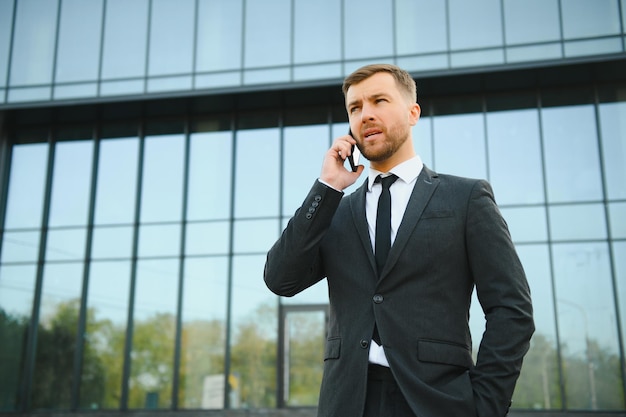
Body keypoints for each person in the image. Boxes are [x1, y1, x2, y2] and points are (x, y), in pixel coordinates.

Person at [264, 63, 534, 417]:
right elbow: (281, 279)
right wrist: (326, 188)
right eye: (355, 108)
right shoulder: (337, 211)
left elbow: (512, 310)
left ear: (412, 112)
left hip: (437, 401)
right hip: (347, 402)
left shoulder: (465, 198)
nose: (366, 115)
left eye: (379, 101)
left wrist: (485, 404)